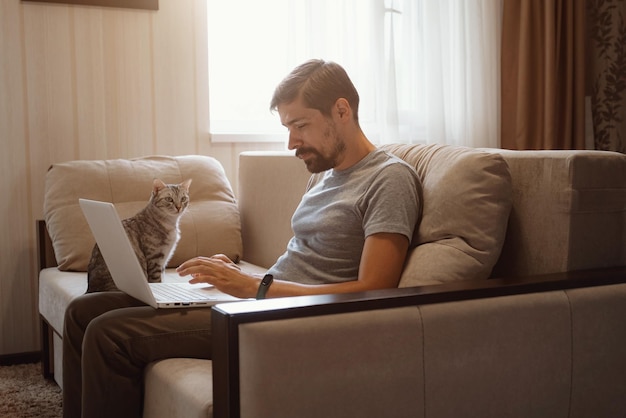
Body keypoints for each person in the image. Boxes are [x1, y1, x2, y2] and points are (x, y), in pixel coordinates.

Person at [62, 59, 422, 418]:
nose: (291, 142)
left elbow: (376, 290)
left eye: (300, 125)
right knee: (82, 311)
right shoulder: (324, 175)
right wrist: (230, 274)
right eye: (287, 127)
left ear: (341, 110)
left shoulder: (389, 179)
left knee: (110, 335)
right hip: (259, 300)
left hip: (286, 320)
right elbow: (305, 258)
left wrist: (255, 287)